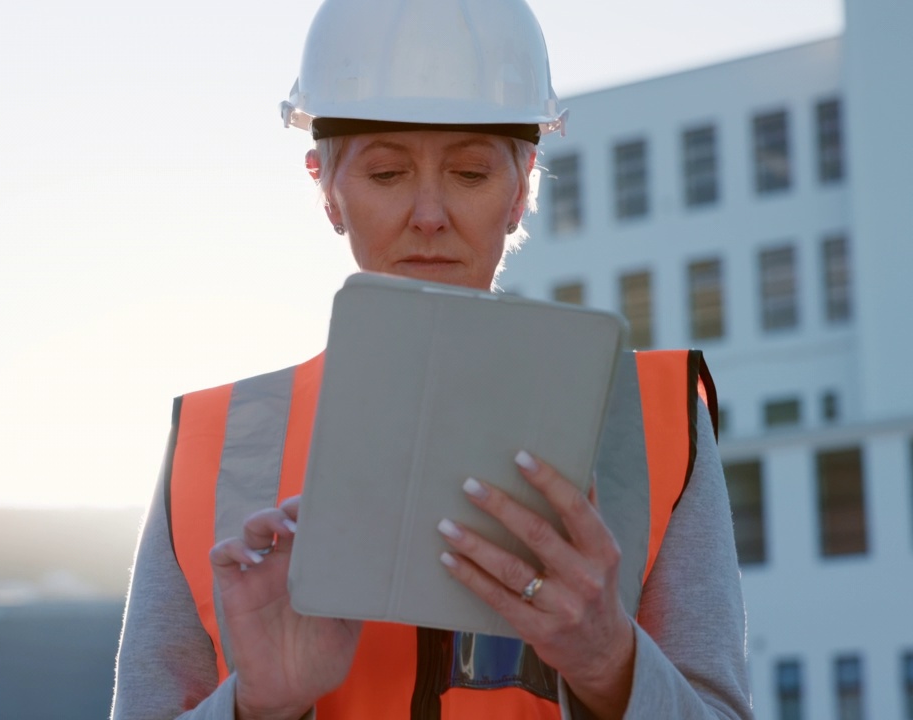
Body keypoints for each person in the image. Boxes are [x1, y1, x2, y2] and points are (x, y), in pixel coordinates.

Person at [111, 0, 753, 718]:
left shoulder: (654, 422)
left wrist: (612, 663)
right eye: (385, 174)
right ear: (327, 189)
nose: (427, 214)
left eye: (471, 174)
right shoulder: (216, 442)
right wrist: (257, 707)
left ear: (520, 189)